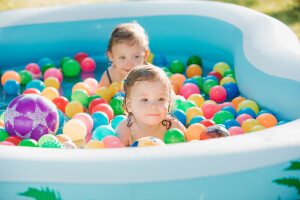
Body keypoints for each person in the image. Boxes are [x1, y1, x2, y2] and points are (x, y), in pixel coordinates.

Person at [115, 65, 187, 147]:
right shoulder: (125, 130)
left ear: (169, 102)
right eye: (144, 100)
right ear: (129, 105)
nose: (153, 106)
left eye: (161, 99)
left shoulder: (173, 126)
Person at [99, 22, 150, 87]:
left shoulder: (150, 76)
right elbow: (100, 95)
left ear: (145, 55)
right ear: (111, 57)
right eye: (122, 57)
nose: (129, 64)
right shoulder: (109, 76)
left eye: (136, 56)